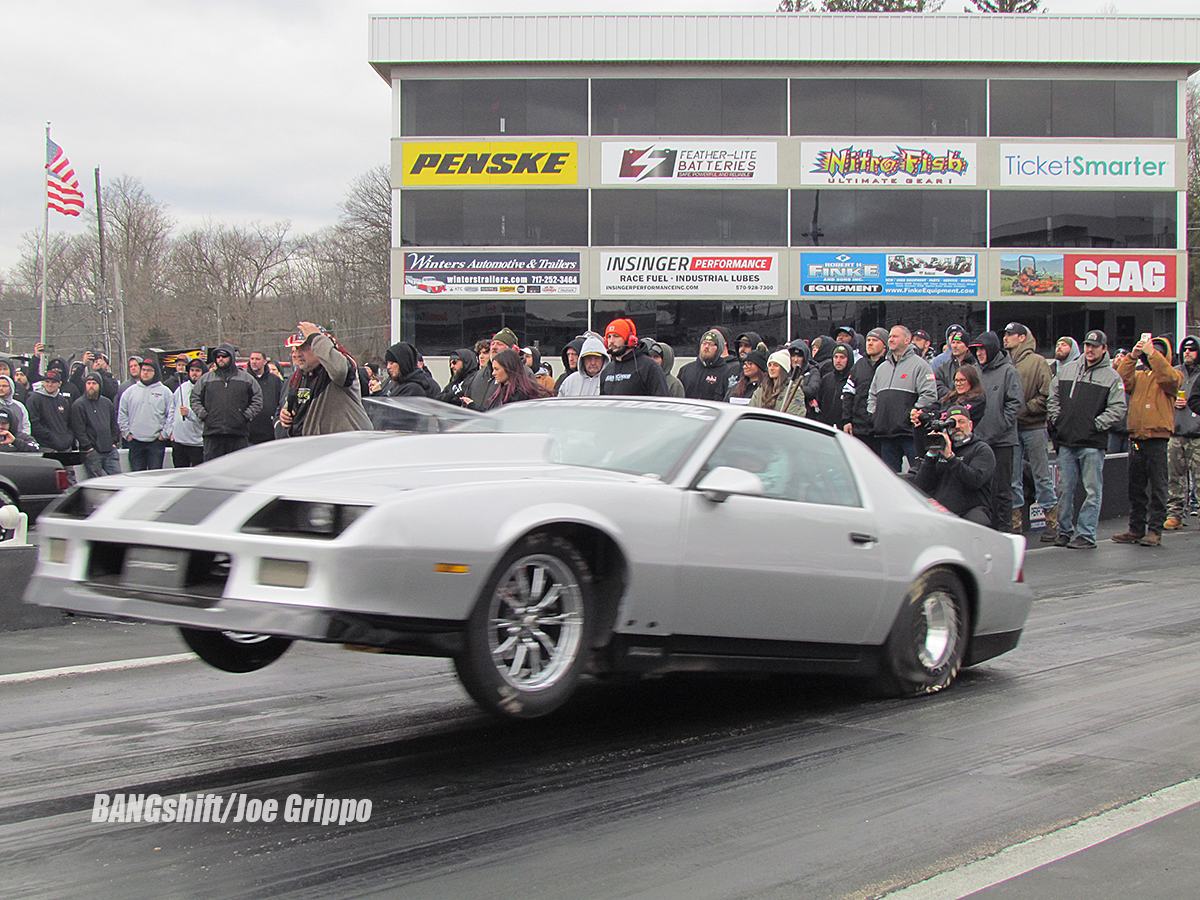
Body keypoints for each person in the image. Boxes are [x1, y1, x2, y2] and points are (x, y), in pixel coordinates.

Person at [1047, 330, 1127, 549]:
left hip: (1092, 444)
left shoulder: (1112, 376)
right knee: (1064, 488)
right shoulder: (1068, 369)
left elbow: (1119, 408)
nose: (1090, 349)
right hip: (1067, 441)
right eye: (1087, 345)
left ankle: (1087, 534)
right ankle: (1064, 531)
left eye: (1094, 346)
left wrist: (1096, 425)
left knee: (1092, 490)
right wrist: (1058, 418)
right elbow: (1052, 395)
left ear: (1104, 348)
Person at [1110, 335, 1182, 548]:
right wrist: (1133, 355)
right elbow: (1121, 379)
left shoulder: (1172, 376)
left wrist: (1153, 353)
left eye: (1157, 351)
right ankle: (1136, 527)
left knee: (1158, 486)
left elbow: (1169, 379)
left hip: (1158, 438)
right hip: (1137, 437)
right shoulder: (1140, 376)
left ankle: (1155, 529)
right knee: (1136, 486)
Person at [964, 332, 1023, 531]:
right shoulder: (974, 371)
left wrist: (1000, 426)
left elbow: (1015, 404)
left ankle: (1005, 532)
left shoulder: (1008, 371)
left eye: (982, 349)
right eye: (976, 349)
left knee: (1002, 491)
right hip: (977, 442)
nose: (979, 353)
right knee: (981, 490)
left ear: (991, 349)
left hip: (1002, 443)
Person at [1004, 322, 1057, 535]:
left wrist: (1025, 409)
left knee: (1041, 475)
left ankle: (1052, 523)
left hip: (1034, 426)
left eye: (1010, 335)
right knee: (1013, 478)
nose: (1006, 338)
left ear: (1022, 337)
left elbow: (1047, 394)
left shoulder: (1038, 362)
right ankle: (1015, 524)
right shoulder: (1005, 364)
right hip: (1012, 428)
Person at [278, 322, 372, 436]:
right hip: (313, 447)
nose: (297, 354)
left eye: (304, 348)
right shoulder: (299, 377)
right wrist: (285, 414)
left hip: (346, 446)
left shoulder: (337, 369)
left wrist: (315, 338)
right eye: (296, 349)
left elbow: (339, 370)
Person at [868, 325, 937, 472]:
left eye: (895, 336)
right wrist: (874, 415)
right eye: (890, 336)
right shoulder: (882, 368)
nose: (890, 339)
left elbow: (929, 395)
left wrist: (910, 414)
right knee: (890, 479)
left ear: (907, 340)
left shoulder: (920, 365)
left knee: (918, 476)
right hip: (886, 433)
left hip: (910, 434)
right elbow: (872, 395)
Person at [913, 406, 996, 527]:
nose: (957, 426)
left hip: (971, 510)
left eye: (962, 422)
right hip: (943, 512)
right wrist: (930, 456)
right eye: (952, 423)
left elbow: (975, 481)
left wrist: (950, 457)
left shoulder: (981, 450)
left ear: (970, 425)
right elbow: (922, 486)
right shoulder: (940, 449)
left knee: (978, 521)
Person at [191, 343, 263, 461]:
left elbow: (257, 399)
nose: (220, 359)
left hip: (238, 433)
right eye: (218, 356)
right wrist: (203, 415)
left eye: (224, 356)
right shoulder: (206, 379)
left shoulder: (246, 378)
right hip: (213, 432)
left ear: (231, 358)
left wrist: (246, 416)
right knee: (212, 469)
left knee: (237, 468)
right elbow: (195, 398)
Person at [1165, 336, 1200, 530]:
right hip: (1176, 431)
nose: (1187, 352)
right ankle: (1175, 514)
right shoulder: (1175, 373)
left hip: (1197, 433)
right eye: (1185, 349)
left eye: (1192, 349)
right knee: (1174, 478)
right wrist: (1173, 401)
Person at [118, 357, 172, 471]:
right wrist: (127, 434)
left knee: (154, 476)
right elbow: (122, 414)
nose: (145, 373)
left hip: (156, 443)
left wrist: (164, 435)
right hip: (135, 442)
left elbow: (171, 415)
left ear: (155, 372)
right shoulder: (129, 392)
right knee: (137, 476)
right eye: (143, 370)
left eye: (149, 370)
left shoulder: (165, 392)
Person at [842, 327, 888, 451]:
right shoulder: (859, 365)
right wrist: (846, 420)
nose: (870, 343)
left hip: (881, 430)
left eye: (875, 340)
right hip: (859, 428)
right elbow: (848, 393)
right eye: (868, 340)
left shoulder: (889, 366)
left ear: (884, 345)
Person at [598, 318, 668, 397]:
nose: (611, 341)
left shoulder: (649, 367)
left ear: (630, 340)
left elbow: (662, 401)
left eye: (616, 336)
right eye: (609, 337)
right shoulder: (607, 370)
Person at [70, 372, 121, 477]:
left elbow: (114, 424)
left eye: (94, 383)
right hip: (92, 452)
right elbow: (79, 430)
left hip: (110, 450)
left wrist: (113, 442)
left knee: (118, 479)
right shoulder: (79, 405)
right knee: (98, 482)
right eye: (88, 383)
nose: (91, 386)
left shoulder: (107, 403)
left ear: (99, 385)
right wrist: (88, 447)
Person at [26, 366, 75, 457]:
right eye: (47, 382)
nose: (49, 385)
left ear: (59, 384)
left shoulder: (63, 400)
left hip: (65, 447)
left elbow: (69, 422)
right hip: (45, 447)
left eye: (53, 382)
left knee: (69, 471)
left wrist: (69, 438)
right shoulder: (34, 399)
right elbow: (34, 423)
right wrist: (50, 436)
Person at [168, 357, 206, 468]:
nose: (194, 373)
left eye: (197, 371)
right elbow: (172, 409)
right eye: (192, 370)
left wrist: (189, 414)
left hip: (197, 443)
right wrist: (170, 430)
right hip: (179, 442)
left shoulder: (206, 388)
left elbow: (205, 415)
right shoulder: (181, 388)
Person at [483, 349, 550, 410]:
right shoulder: (502, 391)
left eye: (496, 369)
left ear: (508, 368)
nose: (493, 373)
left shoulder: (520, 395)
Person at [679, 330, 733, 402]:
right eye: (704, 343)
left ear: (719, 348)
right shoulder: (686, 370)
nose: (707, 347)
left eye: (711, 344)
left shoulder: (726, 372)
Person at [750, 350, 806, 417]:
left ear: (783, 369)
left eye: (776, 365)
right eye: (770, 365)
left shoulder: (793, 391)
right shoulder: (760, 390)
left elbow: (795, 416)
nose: (771, 368)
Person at [246, 350, 284, 445]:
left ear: (264, 362)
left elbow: (281, 401)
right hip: (248, 434)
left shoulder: (275, 381)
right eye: (252, 359)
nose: (254, 361)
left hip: (269, 434)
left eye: (257, 359)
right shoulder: (244, 379)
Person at [817, 342, 854, 428]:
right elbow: (820, 401)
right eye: (836, 357)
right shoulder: (826, 379)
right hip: (826, 426)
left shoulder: (853, 379)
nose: (838, 361)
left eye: (842, 357)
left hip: (845, 427)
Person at [934, 327, 974, 399]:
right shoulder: (944, 367)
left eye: (958, 343)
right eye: (953, 343)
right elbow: (937, 384)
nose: (955, 346)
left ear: (967, 346)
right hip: (948, 404)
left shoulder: (975, 366)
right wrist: (952, 395)